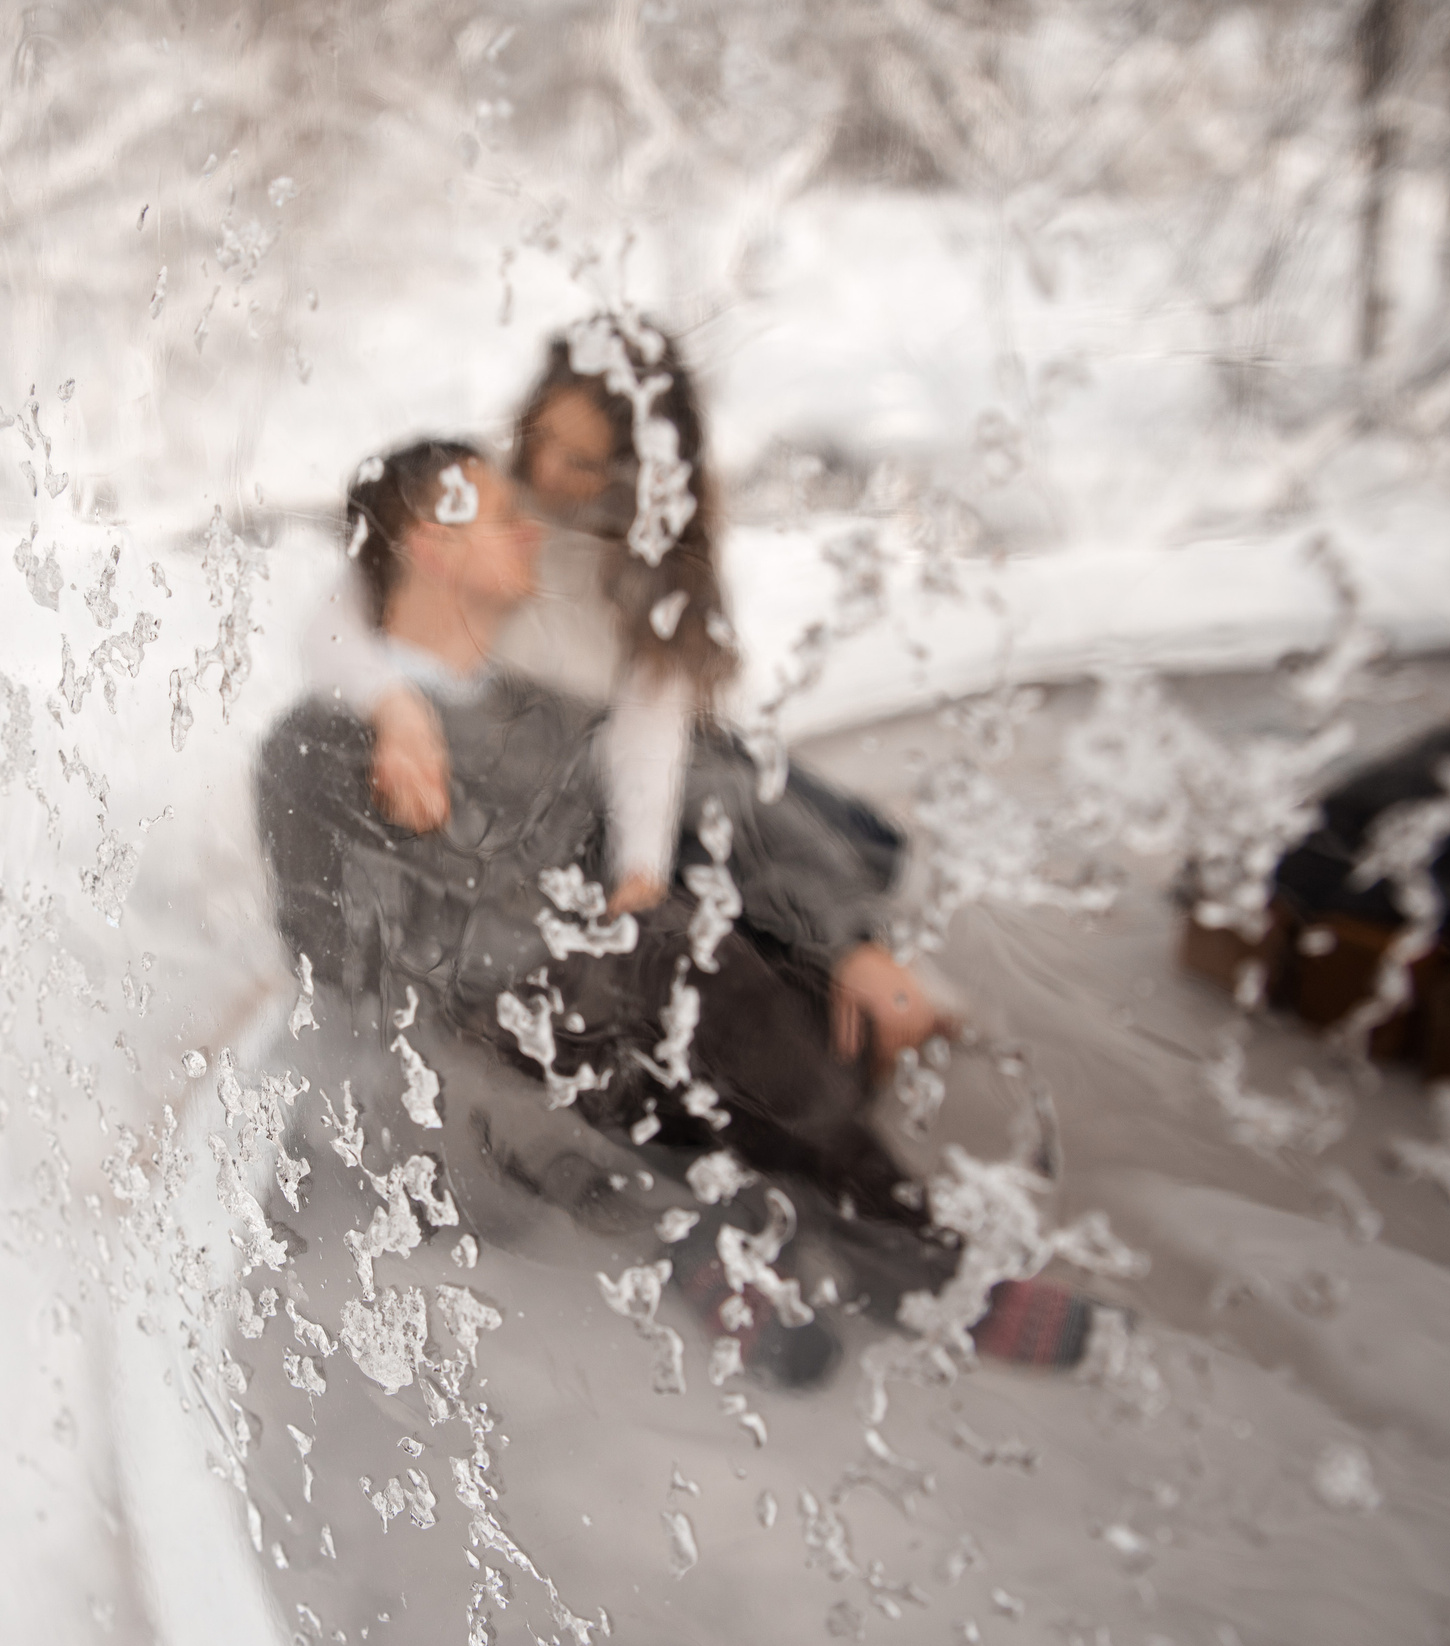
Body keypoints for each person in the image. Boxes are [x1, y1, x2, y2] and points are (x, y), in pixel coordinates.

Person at [259, 441, 1096, 1376]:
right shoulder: (313, 751)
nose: (532, 531)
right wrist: (584, 955)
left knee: (746, 950)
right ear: (432, 546)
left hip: (605, 1028)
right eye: (502, 517)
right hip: (472, 1087)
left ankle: (738, 1228)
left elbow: (711, 790)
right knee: (670, 961)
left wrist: (847, 944)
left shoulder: (538, 709)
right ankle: (901, 1267)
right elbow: (350, 978)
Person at [305, 313, 905, 959]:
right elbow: (336, 615)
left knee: (832, 848)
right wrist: (396, 707)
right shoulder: (486, 488)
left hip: (650, 747)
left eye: (582, 461)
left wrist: (641, 872)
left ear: (635, 469)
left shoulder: (655, 552)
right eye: (545, 438)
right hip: (544, 748)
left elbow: (653, 724)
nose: (549, 471)